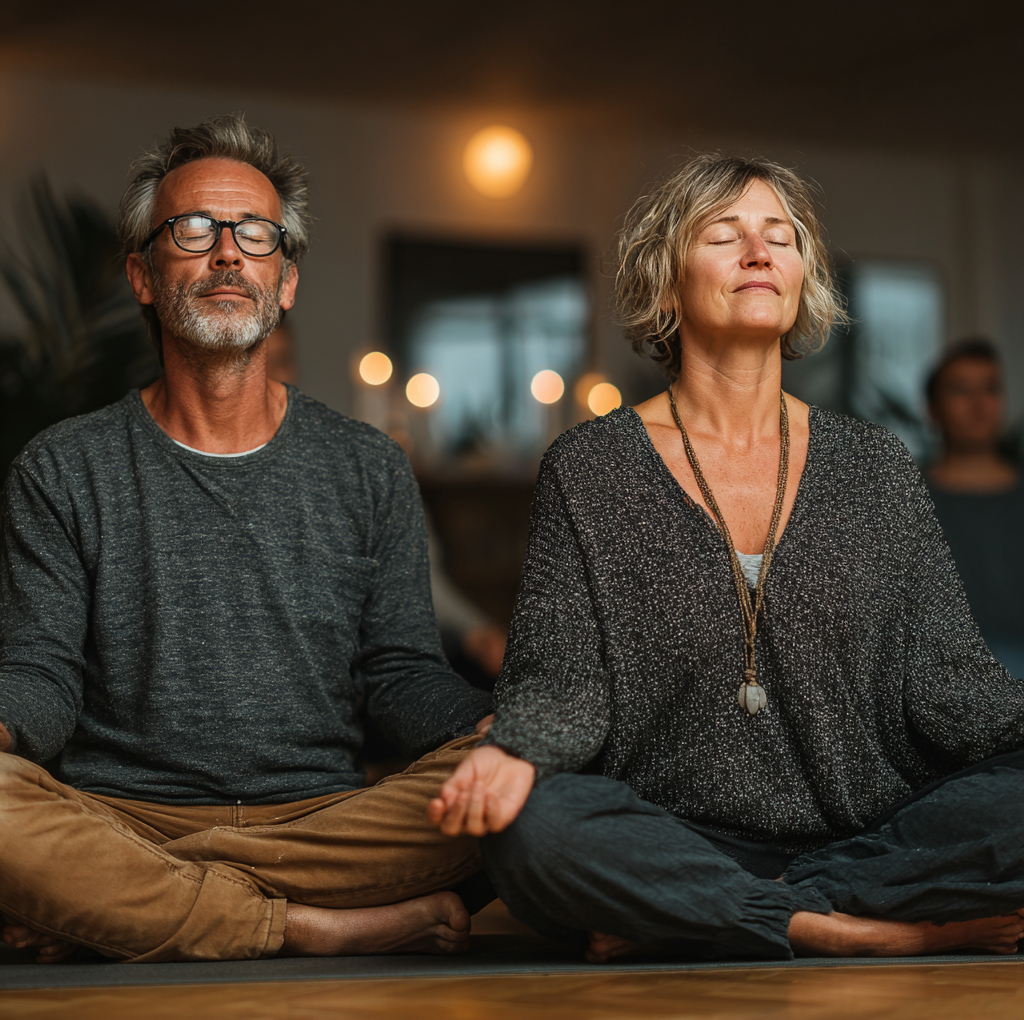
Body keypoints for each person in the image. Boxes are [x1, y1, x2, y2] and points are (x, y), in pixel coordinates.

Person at [429, 154, 1024, 963]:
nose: (759, 254)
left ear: (801, 275)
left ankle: (711, 915)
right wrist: (515, 750)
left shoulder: (876, 465)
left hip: (873, 829)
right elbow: (562, 678)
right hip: (675, 831)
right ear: (667, 282)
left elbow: (952, 684)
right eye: (726, 235)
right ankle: (843, 929)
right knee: (531, 824)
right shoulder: (592, 466)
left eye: (780, 238)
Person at [0, 116, 494, 965]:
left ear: (286, 280)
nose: (227, 253)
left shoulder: (368, 466)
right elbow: (40, 674)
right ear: (143, 276)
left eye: (255, 234)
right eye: (193, 230)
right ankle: (302, 927)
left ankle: (121, 905)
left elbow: (400, 673)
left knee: (533, 788)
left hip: (325, 823)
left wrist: (492, 727)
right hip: (121, 814)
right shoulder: (64, 465)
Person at [925, 339, 1024, 676]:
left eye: (991, 389)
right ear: (933, 409)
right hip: (940, 674)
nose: (979, 404)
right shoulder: (907, 498)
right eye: (961, 391)